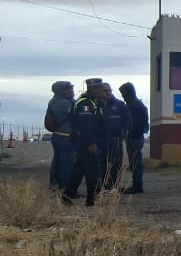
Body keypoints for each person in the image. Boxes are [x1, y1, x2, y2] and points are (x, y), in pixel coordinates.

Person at [64, 78, 106, 206]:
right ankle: (91, 199)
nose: (102, 91)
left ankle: (67, 195)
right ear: (92, 89)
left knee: (79, 169)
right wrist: (91, 143)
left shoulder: (94, 102)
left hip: (85, 141)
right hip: (87, 142)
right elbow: (85, 126)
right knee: (92, 171)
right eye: (99, 88)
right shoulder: (85, 104)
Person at [99, 83, 132, 191]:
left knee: (115, 164)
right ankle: (103, 186)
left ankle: (115, 186)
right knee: (101, 164)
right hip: (101, 140)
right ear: (100, 92)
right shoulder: (96, 104)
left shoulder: (119, 104)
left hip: (115, 139)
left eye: (109, 90)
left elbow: (128, 121)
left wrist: (123, 133)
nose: (108, 92)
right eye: (105, 90)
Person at [45, 81, 76, 192]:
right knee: (67, 163)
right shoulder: (65, 103)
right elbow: (76, 114)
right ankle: (65, 187)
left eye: (71, 88)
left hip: (58, 136)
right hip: (66, 137)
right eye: (67, 89)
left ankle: (54, 184)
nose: (71, 91)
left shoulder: (54, 100)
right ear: (60, 91)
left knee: (57, 162)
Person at [119, 82, 149, 194]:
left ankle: (137, 186)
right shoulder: (138, 104)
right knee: (135, 162)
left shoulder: (134, 105)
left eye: (123, 93)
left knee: (135, 163)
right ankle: (136, 185)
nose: (122, 96)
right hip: (136, 137)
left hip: (134, 138)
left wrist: (130, 133)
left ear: (128, 93)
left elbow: (139, 123)